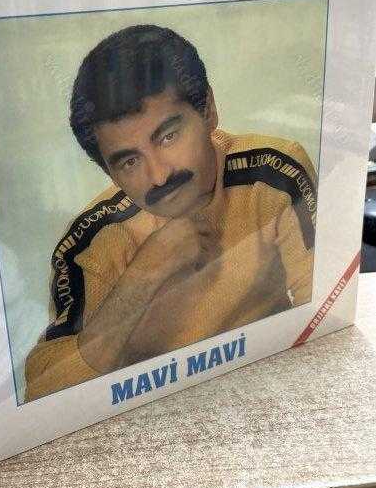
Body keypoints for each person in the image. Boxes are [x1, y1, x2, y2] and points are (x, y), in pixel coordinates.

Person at [25, 24, 316, 401]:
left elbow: (324, 311)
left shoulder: (274, 173)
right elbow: (43, 395)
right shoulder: (89, 244)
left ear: (208, 111)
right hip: (156, 411)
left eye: (168, 136)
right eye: (129, 161)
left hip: (265, 383)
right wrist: (143, 275)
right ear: (108, 172)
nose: (160, 175)